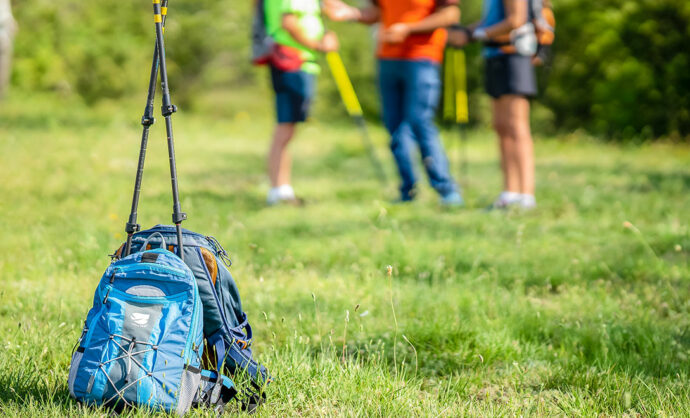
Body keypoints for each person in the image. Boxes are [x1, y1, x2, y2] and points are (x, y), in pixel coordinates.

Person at [324, 0, 463, 206]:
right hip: (387, 57)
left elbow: (451, 14)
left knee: (419, 122)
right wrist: (351, 13)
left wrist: (409, 29)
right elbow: (377, 13)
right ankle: (408, 190)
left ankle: (446, 189)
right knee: (395, 126)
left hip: (422, 57)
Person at [448, 0, 538, 210]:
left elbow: (516, 19)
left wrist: (479, 34)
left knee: (517, 126)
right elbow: (490, 20)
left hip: (514, 56)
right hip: (494, 56)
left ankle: (527, 195)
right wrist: (467, 32)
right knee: (501, 125)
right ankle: (510, 192)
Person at [263, 0, 339, 205]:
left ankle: (282, 188)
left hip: (299, 64)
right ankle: (278, 190)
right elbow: (289, 23)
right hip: (292, 63)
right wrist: (319, 45)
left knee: (289, 128)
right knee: (285, 127)